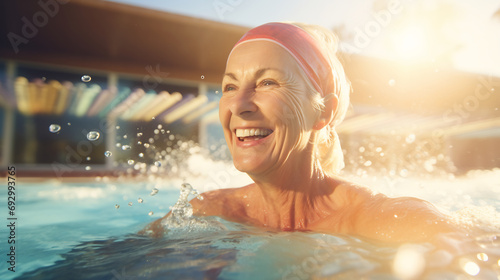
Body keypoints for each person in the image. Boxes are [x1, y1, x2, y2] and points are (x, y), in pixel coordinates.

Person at [143, 22, 457, 242]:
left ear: (323, 111)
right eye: (229, 86)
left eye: (268, 82)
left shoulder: (387, 222)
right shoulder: (208, 212)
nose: (238, 105)